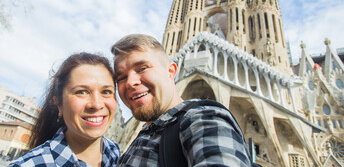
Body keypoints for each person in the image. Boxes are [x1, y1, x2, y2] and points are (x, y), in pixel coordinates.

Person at [111, 34, 252, 166]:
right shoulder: (143, 136)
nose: (130, 82)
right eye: (121, 77)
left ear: (171, 71)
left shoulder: (202, 118)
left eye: (142, 68)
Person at [9, 53, 120, 167]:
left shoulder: (114, 152)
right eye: (81, 92)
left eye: (106, 92)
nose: (97, 104)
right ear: (59, 105)